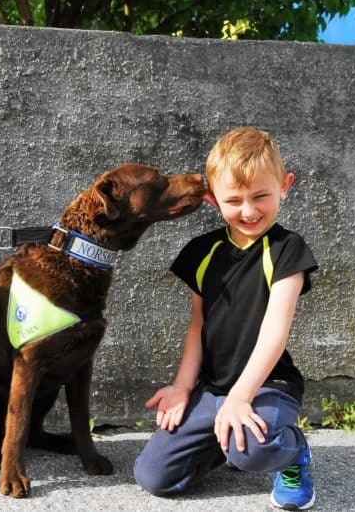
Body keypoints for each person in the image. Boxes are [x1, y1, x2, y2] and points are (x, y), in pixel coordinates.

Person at [133, 127, 318, 510]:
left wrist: (242, 396)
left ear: (285, 186)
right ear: (213, 201)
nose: (248, 211)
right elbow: (198, 326)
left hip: (268, 386)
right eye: (234, 200)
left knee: (250, 449)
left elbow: (274, 332)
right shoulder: (202, 253)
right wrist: (183, 386)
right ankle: (228, 443)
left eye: (261, 196)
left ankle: (293, 453)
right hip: (215, 389)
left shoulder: (287, 250)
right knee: (154, 477)